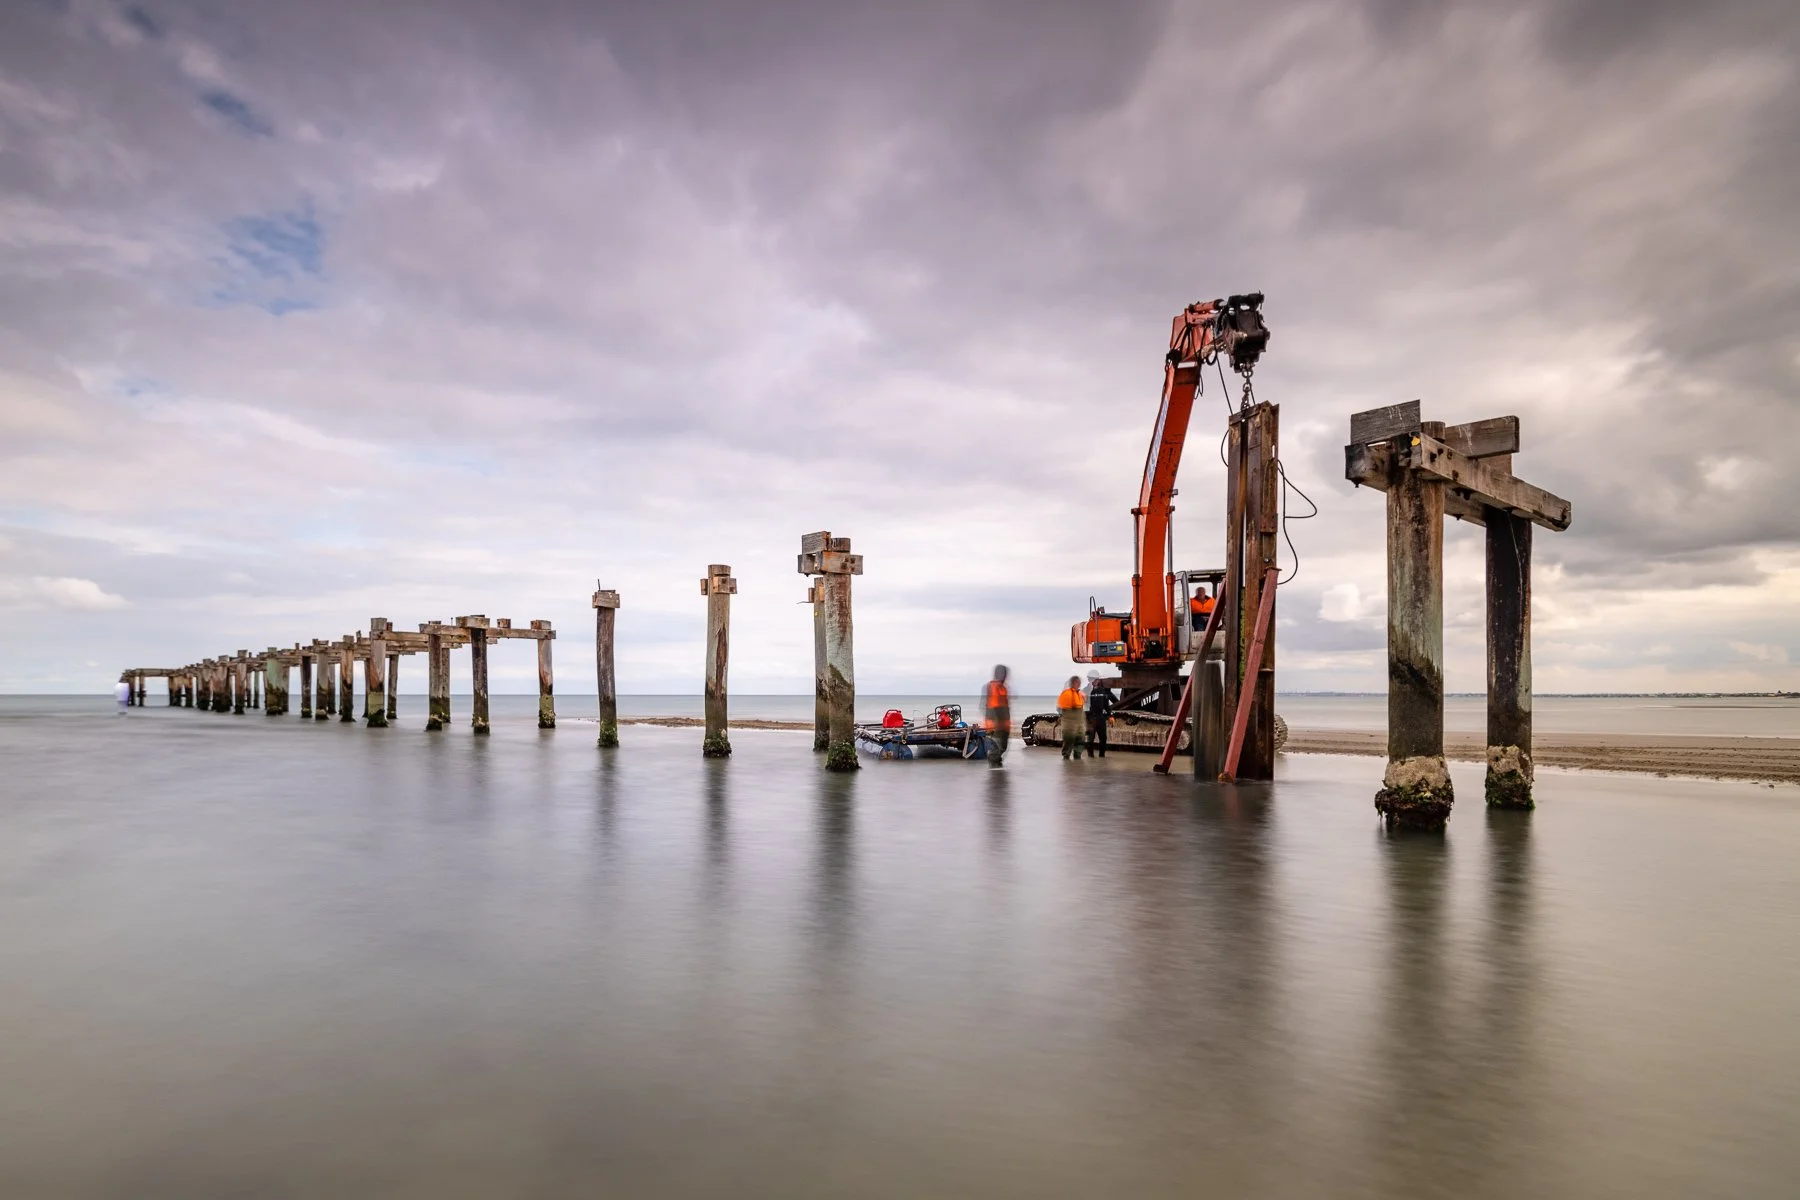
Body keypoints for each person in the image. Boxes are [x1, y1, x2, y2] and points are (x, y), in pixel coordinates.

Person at [982, 665, 1011, 768]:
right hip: (997, 723)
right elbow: (994, 706)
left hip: (1002, 723)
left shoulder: (1003, 687)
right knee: (997, 745)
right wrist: (999, 723)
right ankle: (994, 765)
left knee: (1003, 746)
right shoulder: (994, 687)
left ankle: (996, 765)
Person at [1085, 671, 1114, 759]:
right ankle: (1090, 757)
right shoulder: (1086, 691)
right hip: (1090, 718)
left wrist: (1110, 716)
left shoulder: (1103, 691)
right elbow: (1083, 705)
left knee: (1103, 738)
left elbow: (1106, 705)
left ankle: (1102, 756)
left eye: (1096, 679)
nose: (1095, 681)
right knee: (1090, 739)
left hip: (1101, 717)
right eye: (1092, 679)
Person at [1057, 676, 1087, 761]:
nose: (1078, 684)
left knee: (1080, 738)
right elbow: (1064, 708)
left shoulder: (1079, 693)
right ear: (1072, 683)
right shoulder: (1066, 693)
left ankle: (1077, 757)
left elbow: (1081, 706)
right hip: (1069, 723)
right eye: (1077, 682)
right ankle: (1066, 757)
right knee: (1069, 739)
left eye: (1079, 682)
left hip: (1079, 722)